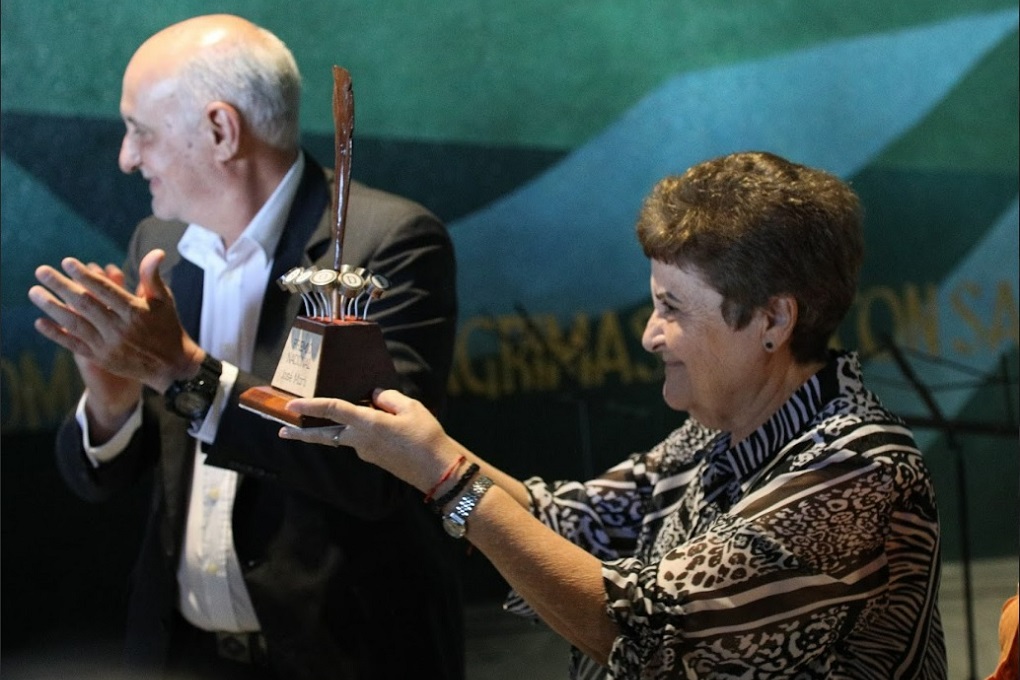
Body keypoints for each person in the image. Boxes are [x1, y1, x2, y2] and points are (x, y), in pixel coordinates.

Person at [279, 151, 948, 679]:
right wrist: (411, 446)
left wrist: (445, 476)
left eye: (672, 308)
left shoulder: (855, 467)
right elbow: (567, 522)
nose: (650, 335)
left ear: (773, 319)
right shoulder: (715, 432)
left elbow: (639, 628)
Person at [28, 14, 462, 680]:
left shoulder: (388, 242)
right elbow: (106, 477)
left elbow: (380, 474)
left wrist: (181, 369)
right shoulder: (158, 244)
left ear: (220, 131)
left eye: (141, 131)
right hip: (182, 655)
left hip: (343, 657)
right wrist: (111, 404)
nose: (127, 157)